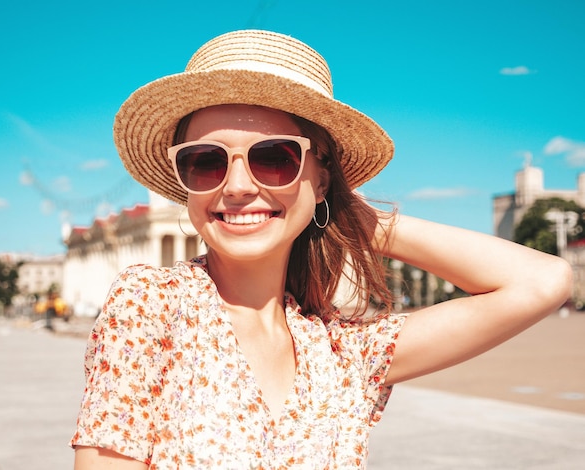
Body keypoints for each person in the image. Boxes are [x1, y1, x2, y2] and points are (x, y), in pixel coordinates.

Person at [70, 30, 571, 469]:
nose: (238, 186)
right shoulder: (151, 306)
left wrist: (345, 213)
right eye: (206, 162)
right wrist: (300, 199)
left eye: (274, 159)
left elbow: (542, 282)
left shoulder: (342, 352)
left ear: (321, 176)